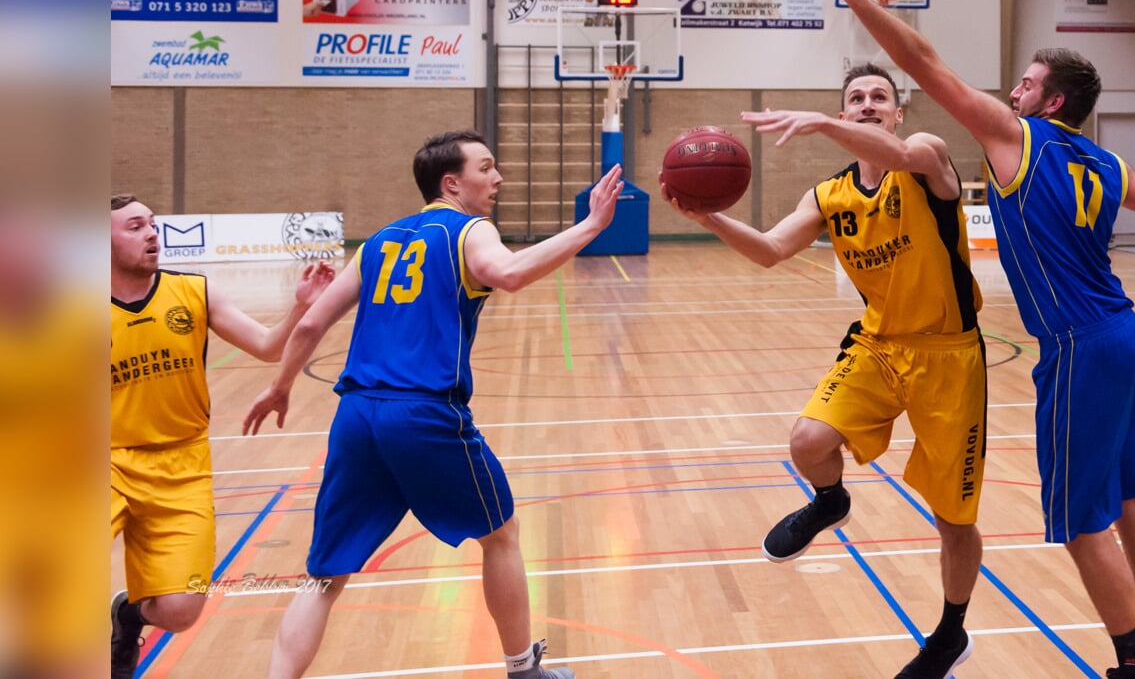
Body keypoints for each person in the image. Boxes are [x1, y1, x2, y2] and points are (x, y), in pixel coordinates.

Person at [811, 0, 1135, 679]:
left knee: (1077, 521)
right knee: (1134, 493)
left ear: (1051, 100)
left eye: (1026, 84)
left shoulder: (1017, 136)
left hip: (1077, 346)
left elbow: (920, 60)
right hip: (1127, 334)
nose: (1012, 91)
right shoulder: (1103, 159)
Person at [240, 133, 627, 679]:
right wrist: (589, 227)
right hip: (423, 413)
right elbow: (508, 274)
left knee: (324, 574)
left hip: (356, 414)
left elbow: (308, 323)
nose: (497, 180)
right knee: (501, 534)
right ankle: (524, 670)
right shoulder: (470, 229)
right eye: (486, 168)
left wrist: (280, 386)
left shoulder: (378, 239)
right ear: (452, 183)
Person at [664, 64, 989, 679]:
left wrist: (819, 123)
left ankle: (949, 636)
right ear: (846, 113)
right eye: (855, 99)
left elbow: (896, 153)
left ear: (898, 112)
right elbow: (769, 250)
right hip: (877, 345)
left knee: (954, 519)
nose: (868, 104)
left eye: (879, 98)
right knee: (808, 440)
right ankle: (830, 499)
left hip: (950, 355)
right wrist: (707, 216)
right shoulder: (828, 196)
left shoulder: (924, 155)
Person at [109, 197, 335, 679]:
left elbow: (267, 346)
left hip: (181, 466)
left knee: (181, 612)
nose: (152, 233)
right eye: (135, 227)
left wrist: (300, 306)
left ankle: (128, 616)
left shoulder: (193, 293)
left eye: (153, 224)